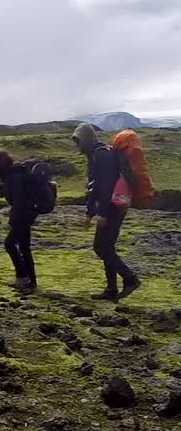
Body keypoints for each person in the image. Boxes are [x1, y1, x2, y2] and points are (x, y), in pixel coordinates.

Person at [71, 123, 142, 301]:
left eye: (78, 141)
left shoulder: (101, 155)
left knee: (100, 247)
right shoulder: (97, 155)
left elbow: (105, 187)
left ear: (86, 140)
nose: (76, 145)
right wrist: (89, 212)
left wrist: (103, 213)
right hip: (115, 206)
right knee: (106, 246)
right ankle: (111, 289)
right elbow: (94, 188)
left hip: (112, 207)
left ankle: (130, 279)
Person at [0, 150, 38, 293]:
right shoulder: (11, 174)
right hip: (27, 214)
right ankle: (28, 280)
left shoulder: (15, 175)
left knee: (10, 244)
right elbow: (1, 193)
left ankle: (25, 278)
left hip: (23, 215)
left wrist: (14, 219)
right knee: (23, 247)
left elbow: (19, 200)